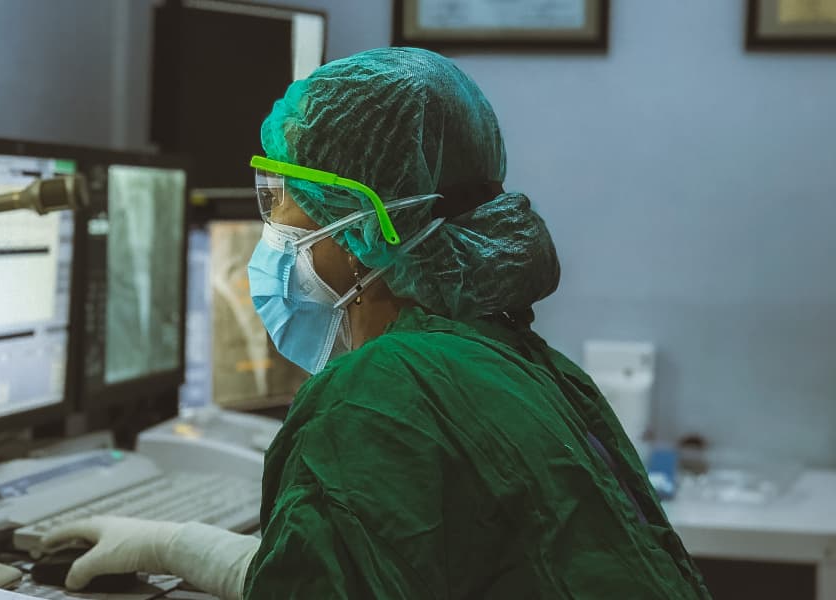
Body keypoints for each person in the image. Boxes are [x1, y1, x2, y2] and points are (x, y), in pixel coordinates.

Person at [43, 47, 712, 599]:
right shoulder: (520, 363)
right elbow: (350, 578)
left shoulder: (381, 391)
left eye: (283, 199)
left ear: (364, 222)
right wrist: (174, 544)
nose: (271, 229)